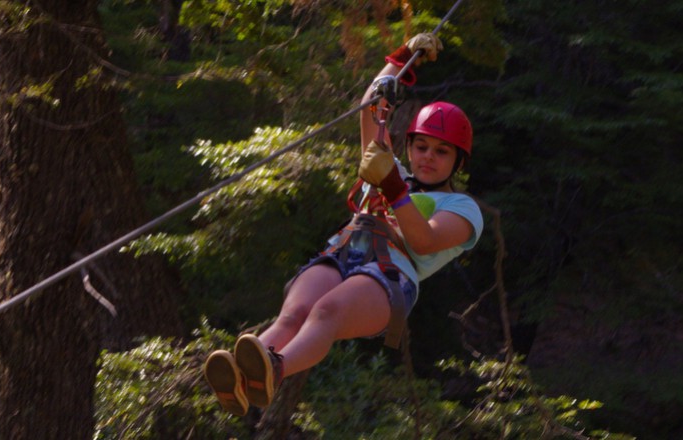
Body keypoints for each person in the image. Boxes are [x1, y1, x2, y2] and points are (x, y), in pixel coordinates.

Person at [203, 32, 484, 417]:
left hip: (390, 276)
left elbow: (424, 238)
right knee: (293, 313)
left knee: (326, 312)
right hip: (346, 249)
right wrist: (403, 58)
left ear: (458, 161)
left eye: (441, 151)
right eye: (421, 147)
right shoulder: (390, 166)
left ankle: (275, 369)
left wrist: (390, 184)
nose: (428, 158)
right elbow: (371, 105)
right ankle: (241, 377)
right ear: (409, 146)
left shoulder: (463, 208)